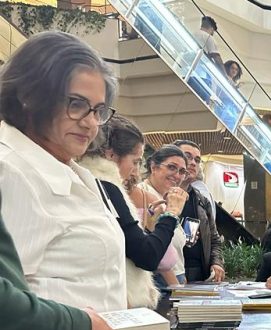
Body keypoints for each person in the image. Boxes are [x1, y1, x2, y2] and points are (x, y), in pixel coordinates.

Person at [0, 31, 138, 330]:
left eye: (98, 110)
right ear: (29, 95)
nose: (90, 122)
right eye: (75, 104)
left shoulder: (72, 170)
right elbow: (13, 310)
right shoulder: (10, 168)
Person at [80, 115, 184, 308]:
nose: (135, 171)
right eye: (135, 162)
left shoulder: (84, 180)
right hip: (116, 304)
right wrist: (171, 214)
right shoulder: (106, 188)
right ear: (111, 155)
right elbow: (147, 255)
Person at [173, 139, 225, 283]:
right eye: (188, 156)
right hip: (167, 272)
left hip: (198, 272)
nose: (193, 163)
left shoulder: (201, 200)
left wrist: (216, 263)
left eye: (197, 159)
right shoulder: (158, 194)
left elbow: (214, 239)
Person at [139, 145, 190, 287]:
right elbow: (158, 250)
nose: (177, 175)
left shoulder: (168, 198)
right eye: (172, 167)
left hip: (176, 276)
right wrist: (175, 286)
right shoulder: (143, 195)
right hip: (162, 281)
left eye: (182, 171)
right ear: (154, 166)